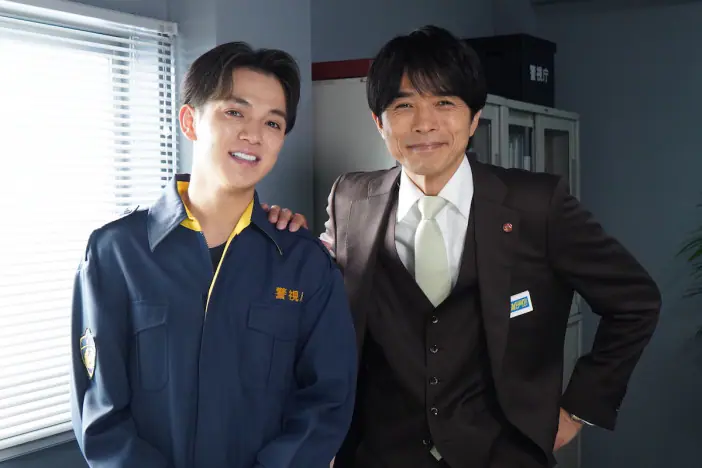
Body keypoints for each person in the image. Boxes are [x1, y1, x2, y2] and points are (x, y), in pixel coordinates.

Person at [265, 25, 661, 468]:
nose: (424, 123)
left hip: (505, 454)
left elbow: (635, 301)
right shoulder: (350, 198)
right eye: (403, 106)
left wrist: (578, 409)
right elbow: (320, 296)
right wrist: (281, 236)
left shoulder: (536, 205)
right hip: (380, 453)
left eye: (444, 103)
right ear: (379, 122)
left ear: (474, 119)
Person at [70, 41, 357, 468]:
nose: (253, 135)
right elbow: (100, 414)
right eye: (235, 112)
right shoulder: (115, 254)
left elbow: (326, 403)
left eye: (273, 123)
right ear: (191, 121)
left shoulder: (305, 265)